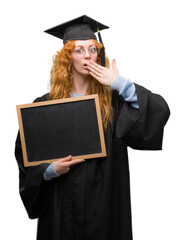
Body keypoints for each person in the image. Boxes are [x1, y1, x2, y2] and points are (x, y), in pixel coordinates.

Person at [15, 15, 170, 240]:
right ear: (67, 57)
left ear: (99, 54)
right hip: (60, 213)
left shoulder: (115, 104)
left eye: (93, 49)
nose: (87, 55)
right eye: (79, 50)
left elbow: (158, 110)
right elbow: (26, 157)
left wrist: (120, 84)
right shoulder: (45, 106)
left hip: (105, 212)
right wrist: (49, 171)